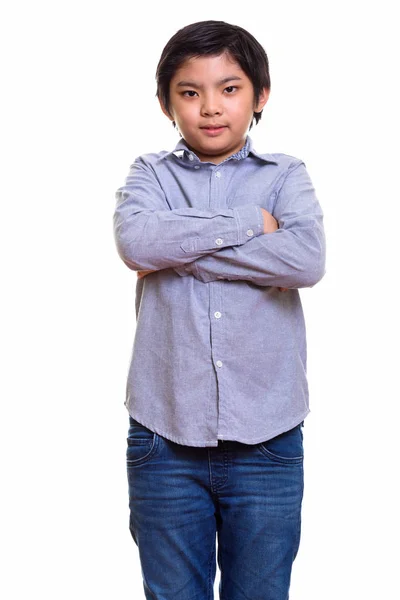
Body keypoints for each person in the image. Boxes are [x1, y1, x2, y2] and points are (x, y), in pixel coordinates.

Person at [113, 19, 326, 600]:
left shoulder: (286, 177)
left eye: (229, 88)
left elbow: (305, 259)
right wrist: (248, 227)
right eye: (190, 91)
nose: (210, 107)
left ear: (259, 96)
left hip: (269, 438)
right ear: (166, 103)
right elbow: (137, 244)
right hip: (164, 439)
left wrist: (179, 250)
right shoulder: (149, 176)